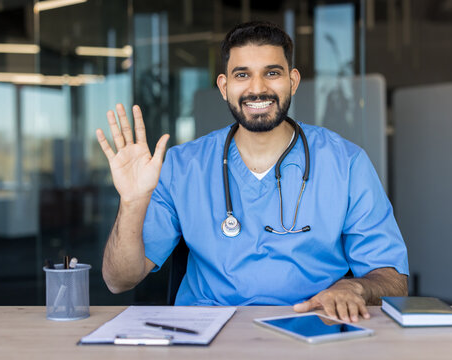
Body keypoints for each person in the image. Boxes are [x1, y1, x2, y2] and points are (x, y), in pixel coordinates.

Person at [97, 21, 409, 323]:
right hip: (204, 337)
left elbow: (394, 281)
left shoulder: (345, 163)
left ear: (293, 81)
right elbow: (119, 280)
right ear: (224, 86)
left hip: (311, 331)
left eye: (272, 73)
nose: (257, 89)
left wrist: (354, 287)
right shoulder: (183, 167)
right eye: (242, 75)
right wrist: (132, 202)